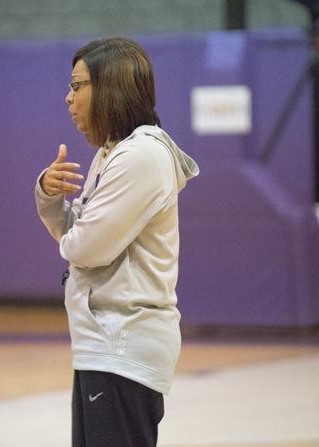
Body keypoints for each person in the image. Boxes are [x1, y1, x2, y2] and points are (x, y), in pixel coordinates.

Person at [35, 37, 199, 447]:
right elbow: (78, 230)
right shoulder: (112, 152)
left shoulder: (140, 156)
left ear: (109, 88)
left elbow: (86, 248)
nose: (67, 98)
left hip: (122, 349)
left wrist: (73, 239)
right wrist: (47, 195)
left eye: (77, 86)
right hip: (103, 346)